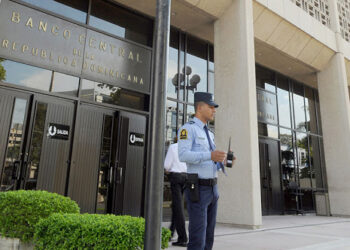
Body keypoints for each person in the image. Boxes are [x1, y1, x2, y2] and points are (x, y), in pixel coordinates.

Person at [178, 92, 235, 250]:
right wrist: (210, 155)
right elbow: (183, 155)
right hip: (198, 188)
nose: (214, 110)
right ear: (200, 107)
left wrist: (223, 161)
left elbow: (210, 161)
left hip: (213, 189)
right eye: (210, 107)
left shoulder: (209, 133)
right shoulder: (187, 129)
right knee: (198, 238)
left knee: (209, 236)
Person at [164, 137, 188, 247]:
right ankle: (170, 233)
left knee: (178, 208)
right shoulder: (189, 148)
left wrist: (167, 170)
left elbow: (166, 165)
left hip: (176, 177)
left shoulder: (173, 147)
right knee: (176, 206)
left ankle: (183, 238)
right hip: (187, 178)